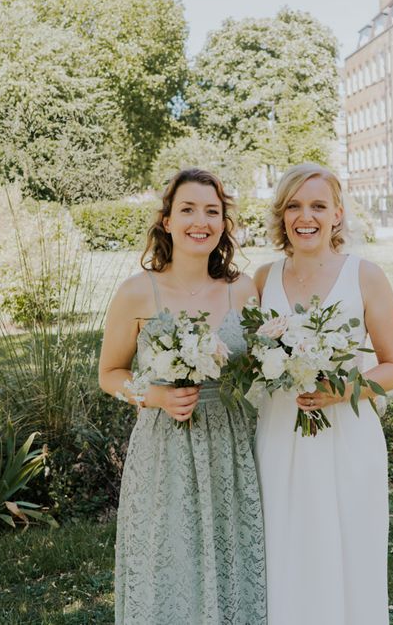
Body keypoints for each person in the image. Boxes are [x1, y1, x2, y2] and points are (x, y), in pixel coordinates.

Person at [99, 168, 267, 625]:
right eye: (188, 209)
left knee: (232, 555)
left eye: (212, 211)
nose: (201, 221)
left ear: (223, 224)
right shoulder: (136, 293)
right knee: (169, 561)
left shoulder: (243, 290)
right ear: (167, 221)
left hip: (230, 444)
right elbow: (109, 374)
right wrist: (151, 396)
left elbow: (260, 367)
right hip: (164, 447)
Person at [253, 163, 393, 624]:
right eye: (295, 206)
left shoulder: (365, 275)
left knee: (349, 552)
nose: (307, 216)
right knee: (285, 549)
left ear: (337, 214)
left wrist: (341, 392)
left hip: (347, 436)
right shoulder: (261, 280)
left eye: (318, 205)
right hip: (280, 433)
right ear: (282, 216)